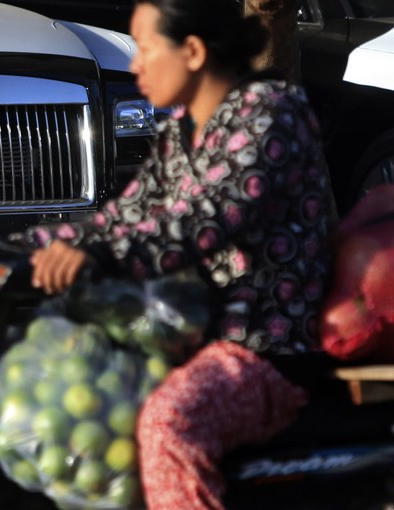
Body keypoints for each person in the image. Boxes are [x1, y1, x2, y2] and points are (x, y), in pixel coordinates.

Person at [22, 0, 337, 508]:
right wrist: (21, 246)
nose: (135, 65)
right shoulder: (183, 129)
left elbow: (208, 217)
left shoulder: (271, 112)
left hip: (266, 353)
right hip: (189, 340)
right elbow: (125, 215)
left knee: (170, 423)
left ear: (192, 51)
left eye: (146, 48)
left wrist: (102, 257)